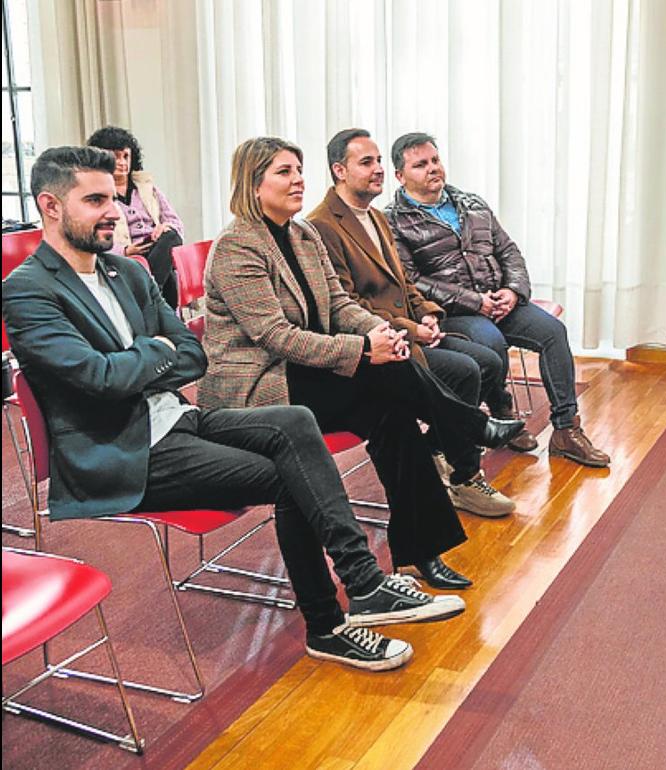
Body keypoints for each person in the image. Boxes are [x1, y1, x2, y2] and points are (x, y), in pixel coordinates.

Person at [2, 146, 467, 672]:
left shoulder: (126, 273)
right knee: (291, 474)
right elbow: (99, 379)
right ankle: (332, 620)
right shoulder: (26, 292)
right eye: (95, 200)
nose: (113, 210)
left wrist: (145, 357)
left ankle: (361, 587)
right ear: (51, 206)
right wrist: (155, 351)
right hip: (122, 450)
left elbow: (192, 354)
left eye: (112, 197)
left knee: (297, 424)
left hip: (179, 419)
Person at [198, 137, 525, 590]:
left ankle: (419, 554)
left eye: (298, 169)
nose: (297, 180)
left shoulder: (303, 234)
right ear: (254, 185)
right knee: (383, 371)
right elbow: (275, 337)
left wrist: (383, 333)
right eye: (283, 172)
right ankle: (467, 424)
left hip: (307, 372)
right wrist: (364, 350)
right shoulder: (237, 247)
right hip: (258, 385)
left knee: (393, 415)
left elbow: (337, 306)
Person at [306, 128, 523, 518]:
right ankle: (465, 475)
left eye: (378, 161)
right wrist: (409, 327)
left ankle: (439, 451)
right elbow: (346, 303)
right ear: (339, 170)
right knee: (465, 370)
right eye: (366, 162)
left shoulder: (375, 215)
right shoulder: (323, 224)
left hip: (409, 327)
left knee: (488, 363)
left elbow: (404, 282)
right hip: (378, 340)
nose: (378, 170)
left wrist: (426, 312)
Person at [385, 132, 611, 468]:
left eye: (435, 160)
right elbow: (411, 281)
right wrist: (475, 301)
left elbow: (508, 251)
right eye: (421, 165)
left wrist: (513, 291)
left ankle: (566, 430)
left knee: (553, 332)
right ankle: (502, 413)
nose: (433, 168)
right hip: (453, 312)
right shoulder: (392, 220)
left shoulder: (472, 203)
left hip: (500, 300)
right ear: (400, 176)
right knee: (490, 343)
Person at [86, 126, 185, 310]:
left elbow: (176, 223)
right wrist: (125, 251)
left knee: (171, 237)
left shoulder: (148, 187)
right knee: (169, 274)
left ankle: (149, 294)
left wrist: (164, 227)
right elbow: (94, 237)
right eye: (116, 156)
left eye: (126, 156)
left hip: (157, 248)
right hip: (128, 259)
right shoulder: (95, 195)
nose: (122, 162)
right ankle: (159, 306)